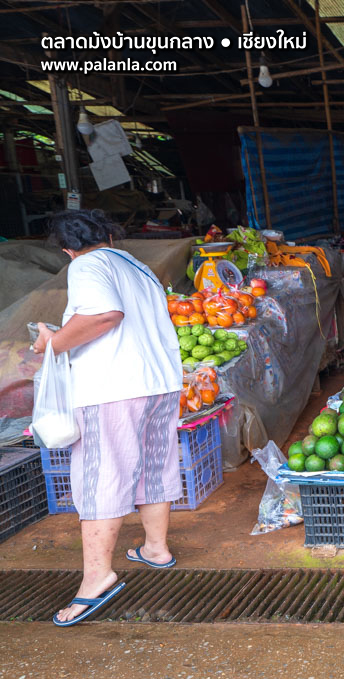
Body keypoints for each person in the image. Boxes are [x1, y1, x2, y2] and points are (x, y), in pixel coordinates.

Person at [31, 210, 183, 627]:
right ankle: (156, 548)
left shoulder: (87, 265)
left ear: (66, 248)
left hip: (114, 388)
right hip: (159, 382)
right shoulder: (135, 265)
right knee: (154, 463)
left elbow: (103, 314)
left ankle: (97, 577)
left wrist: (54, 342)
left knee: (100, 475)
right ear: (108, 234)